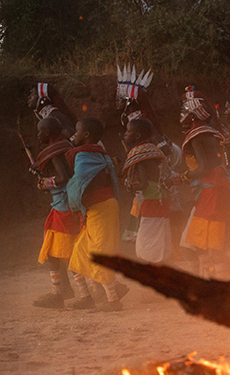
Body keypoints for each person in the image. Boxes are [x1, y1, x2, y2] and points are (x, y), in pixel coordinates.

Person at [65, 118, 129, 311]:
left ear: (86, 135)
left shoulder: (84, 155)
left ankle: (113, 300)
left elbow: (78, 183)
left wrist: (74, 204)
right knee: (78, 253)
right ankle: (86, 298)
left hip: (102, 208)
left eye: (76, 131)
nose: (73, 135)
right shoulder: (95, 154)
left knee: (99, 254)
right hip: (96, 210)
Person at [177, 86, 230, 279]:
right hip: (218, 188)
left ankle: (216, 285)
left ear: (192, 115)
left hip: (211, 193)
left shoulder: (196, 136)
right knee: (208, 243)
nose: (181, 115)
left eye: (185, 111)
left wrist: (184, 177)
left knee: (205, 244)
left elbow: (203, 168)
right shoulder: (209, 132)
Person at [30, 118, 83, 309]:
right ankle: (61, 293)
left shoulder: (56, 151)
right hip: (64, 207)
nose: (38, 135)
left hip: (64, 209)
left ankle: (76, 295)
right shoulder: (65, 147)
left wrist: (44, 183)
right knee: (54, 253)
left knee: (65, 254)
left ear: (49, 133)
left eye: (40, 131)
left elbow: (63, 177)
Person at [122, 118, 172, 264]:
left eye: (128, 131)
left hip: (151, 201)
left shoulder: (138, 153)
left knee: (148, 243)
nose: (125, 134)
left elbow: (143, 184)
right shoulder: (154, 150)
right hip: (163, 198)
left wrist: (131, 186)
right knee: (160, 239)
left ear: (137, 136)